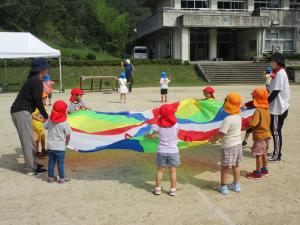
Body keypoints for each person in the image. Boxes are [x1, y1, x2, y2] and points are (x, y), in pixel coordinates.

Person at [10, 58, 49, 175]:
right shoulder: (36, 81)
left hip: (21, 112)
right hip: (21, 112)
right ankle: (31, 168)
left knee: (29, 140)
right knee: (28, 141)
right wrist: (46, 116)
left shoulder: (33, 80)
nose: (48, 70)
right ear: (41, 69)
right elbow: (38, 101)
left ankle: (32, 164)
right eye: (46, 68)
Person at [209, 93, 243, 195]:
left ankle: (223, 186)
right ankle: (236, 185)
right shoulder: (238, 117)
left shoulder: (228, 119)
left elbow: (221, 133)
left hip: (228, 146)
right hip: (238, 145)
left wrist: (213, 139)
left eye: (226, 101)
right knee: (236, 165)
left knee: (225, 167)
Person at [145, 104, 180, 196]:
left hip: (162, 151)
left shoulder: (157, 125)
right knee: (173, 171)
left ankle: (157, 189)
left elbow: (152, 137)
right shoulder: (176, 124)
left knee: (160, 170)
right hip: (173, 151)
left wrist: (146, 135)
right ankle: (172, 190)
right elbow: (177, 134)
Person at [268, 52, 290, 162]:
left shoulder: (280, 73)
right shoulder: (276, 73)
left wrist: (265, 102)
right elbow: (270, 89)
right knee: (274, 130)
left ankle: (277, 155)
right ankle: (276, 152)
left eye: (272, 61)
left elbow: (275, 92)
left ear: (277, 62)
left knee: (276, 132)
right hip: (276, 108)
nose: (271, 63)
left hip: (278, 108)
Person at [245, 88, 272, 179]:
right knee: (264, 153)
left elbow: (254, 123)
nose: (252, 97)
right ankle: (265, 169)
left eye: (254, 96)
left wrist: (245, 127)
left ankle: (258, 173)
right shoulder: (266, 109)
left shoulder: (258, 110)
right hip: (267, 134)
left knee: (258, 154)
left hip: (260, 136)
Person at [44, 100, 72, 184]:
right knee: (60, 163)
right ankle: (62, 178)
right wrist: (66, 142)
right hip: (60, 147)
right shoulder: (65, 123)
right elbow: (68, 135)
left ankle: (50, 177)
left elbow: (45, 127)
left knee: (51, 162)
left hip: (50, 146)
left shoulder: (49, 119)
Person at [32, 92, 48, 158]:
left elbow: (44, 114)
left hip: (39, 124)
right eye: (43, 98)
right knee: (41, 137)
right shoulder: (36, 106)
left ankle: (38, 151)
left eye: (45, 98)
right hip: (36, 124)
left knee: (38, 138)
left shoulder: (43, 105)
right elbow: (32, 115)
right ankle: (41, 150)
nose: (45, 99)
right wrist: (40, 119)